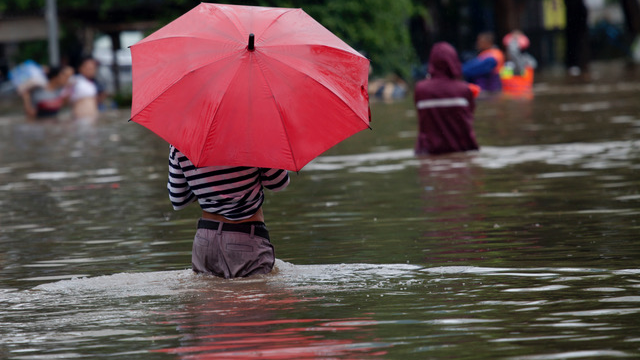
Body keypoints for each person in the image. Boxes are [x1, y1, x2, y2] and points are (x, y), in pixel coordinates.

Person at [167, 145, 290, 279]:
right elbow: (279, 183)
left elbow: (178, 199)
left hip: (205, 240)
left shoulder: (181, 143)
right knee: (252, 296)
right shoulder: (254, 137)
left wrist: (206, 187)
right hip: (245, 236)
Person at [414, 42, 479, 155]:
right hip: (462, 152)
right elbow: (470, 115)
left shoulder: (421, 89)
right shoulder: (463, 90)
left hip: (428, 153)